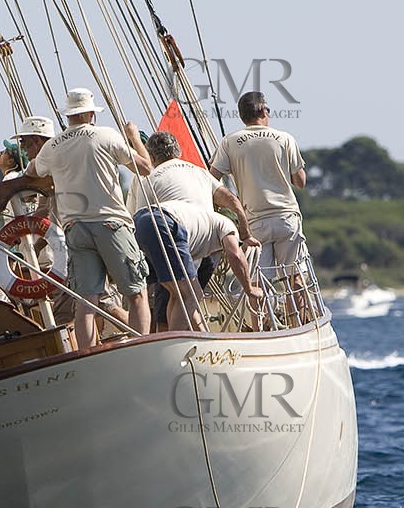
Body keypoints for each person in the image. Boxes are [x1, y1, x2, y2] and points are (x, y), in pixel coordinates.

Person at [24, 87, 153, 346]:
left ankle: (88, 353)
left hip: (75, 228)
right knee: (136, 294)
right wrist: (133, 138)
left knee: (86, 303)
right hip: (110, 223)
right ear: (91, 114)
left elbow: (31, 170)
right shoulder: (106, 135)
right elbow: (145, 168)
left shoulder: (52, 146)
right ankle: (142, 347)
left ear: (68, 115)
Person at [209, 90, 312, 321]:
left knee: (257, 283)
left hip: (254, 223)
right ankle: (299, 324)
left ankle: (261, 329)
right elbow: (300, 181)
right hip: (286, 217)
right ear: (264, 111)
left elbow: (212, 178)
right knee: (294, 278)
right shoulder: (285, 138)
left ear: (242, 116)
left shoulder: (230, 142)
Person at [135, 199, 263, 332]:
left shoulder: (204, 225)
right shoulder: (227, 224)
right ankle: (174, 341)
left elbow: (187, 300)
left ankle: (171, 337)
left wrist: (203, 333)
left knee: (178, 294)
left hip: (141, 221)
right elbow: (235, 254)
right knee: (191, 293)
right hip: (164, 222)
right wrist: (249, 289)